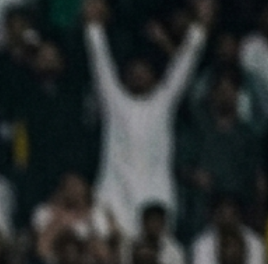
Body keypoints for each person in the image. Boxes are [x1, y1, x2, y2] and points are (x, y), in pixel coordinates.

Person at [84, 0, 212, 235]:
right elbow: (100, 63)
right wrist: (93, 28)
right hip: (115, 193)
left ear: (154, 76)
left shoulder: (162, 103)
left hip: (156, 196)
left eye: (144, 71)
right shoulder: (116, 102)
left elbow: (183, 67)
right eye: (133, 72)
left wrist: (200, 29)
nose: (138, 76)